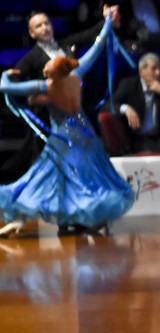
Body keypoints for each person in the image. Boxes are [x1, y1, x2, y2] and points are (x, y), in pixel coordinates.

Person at [0, 13, 134, 238]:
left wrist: (4, 75)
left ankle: (22, 219)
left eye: (49, 66)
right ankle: (85, 218)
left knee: (43, 178)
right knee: (83, 178)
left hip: (63, 137)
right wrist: (108, 24)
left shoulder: (48, 86)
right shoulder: (76, 74)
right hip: (85, 133)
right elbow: (97, 47)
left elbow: (6, 88)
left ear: (57, 70)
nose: (45, 68)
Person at [1, 5, 120, 187]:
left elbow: (92, 36)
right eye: (39, 26)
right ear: (32, 33)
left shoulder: (66, 45)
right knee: (42, 162)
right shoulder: (32, 58)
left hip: (75, 113)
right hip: (48, 119)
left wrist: (107, 20)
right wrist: (34, 96)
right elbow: (15, 81)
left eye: (46, 23)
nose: (44, 28)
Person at [110, 52, 160, 154]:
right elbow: (108, 105)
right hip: (136, 139)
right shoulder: (129, 85)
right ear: (142, 71)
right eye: (154, 69)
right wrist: (126, 108)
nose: (158, 73)